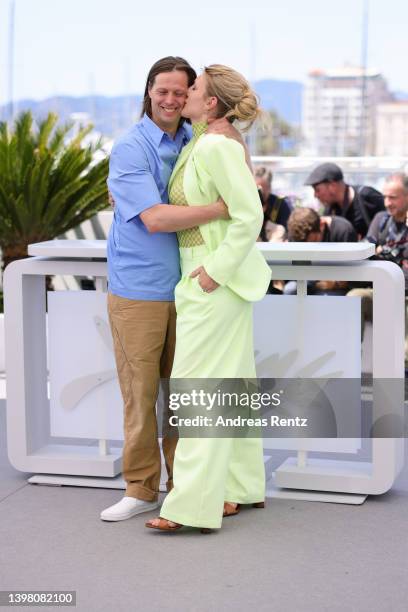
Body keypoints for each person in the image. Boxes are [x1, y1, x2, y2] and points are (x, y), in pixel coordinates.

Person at [101, 57, 233, 522]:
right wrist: (221, 209)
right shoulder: (130, 148)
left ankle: (185, 488)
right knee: (140, 395)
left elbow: (233, 161)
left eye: (182, 91)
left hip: (190, 287)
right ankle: (140, 488)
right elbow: (155, 219)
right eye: (164, 91)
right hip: (138, 289)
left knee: (184, 395)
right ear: (149, 91)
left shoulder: (199, 139)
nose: (173, 100)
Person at [145, 65, 271, 533]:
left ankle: (189, 506)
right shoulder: (208, 141)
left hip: (211, 281)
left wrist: (212, 275)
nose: (187, 94)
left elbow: (248, 216)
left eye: (194, 88)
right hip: (212, 281)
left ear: (211, 102)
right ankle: (237, 489)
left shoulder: (216, 145)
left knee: (197, 390)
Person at [347, 173, 408, 363]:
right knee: (355, 298)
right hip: (383, 291)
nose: (388, 203)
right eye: (385, 197)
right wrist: (377, 249)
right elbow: (367, 248)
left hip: (405, 295)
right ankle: (350, 362)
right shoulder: (381, 219)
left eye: (393, 198)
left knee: (403, 352)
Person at [284, 207, 357, 296]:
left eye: (314, 241)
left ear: (322, 224)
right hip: (306, 279)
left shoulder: (344, 230)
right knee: (289, 290)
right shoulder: (296, 235)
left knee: (325, 296)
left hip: (336, 284)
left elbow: (354, 275)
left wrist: (335, 284)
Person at [304, 162, 384, 239]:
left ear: (332, 186)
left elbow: (389, 222)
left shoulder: (367, 196)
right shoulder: (330, 210)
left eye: (317, 190)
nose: (315, 195)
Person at [255, 166, 292, 241]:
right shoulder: (247, 204)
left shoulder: (280, 204)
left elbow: (288, 232)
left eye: (262, 187)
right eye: (256, 188)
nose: (259, 192)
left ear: (270, 187)